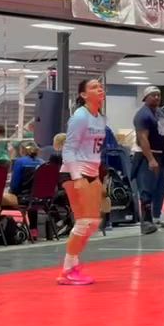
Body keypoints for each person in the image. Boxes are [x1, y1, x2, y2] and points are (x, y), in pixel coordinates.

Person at [56, 78, 110, 286]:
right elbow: (68, 149)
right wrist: (77, 177)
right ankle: (67, 270)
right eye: (94, 87)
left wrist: (98, 176)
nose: (100, 89)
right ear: (84, 95)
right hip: (75, 172)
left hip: (92, 172)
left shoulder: (100, 118)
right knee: (84, 221)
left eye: (100, 86)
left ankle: (73, 264)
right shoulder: (80, 116)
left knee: (93, 222)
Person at [133, 85, 164, 234]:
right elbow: (142, 138)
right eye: (153, 95)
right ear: (145, 98)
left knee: (161, 188)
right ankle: (146, 222)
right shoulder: (142, 115)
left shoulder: (160, 113)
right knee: (147, 189)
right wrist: (150, 159)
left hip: (161, 155)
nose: (156, 97)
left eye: (158, 95)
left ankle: (156, 218)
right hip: (147, 156)